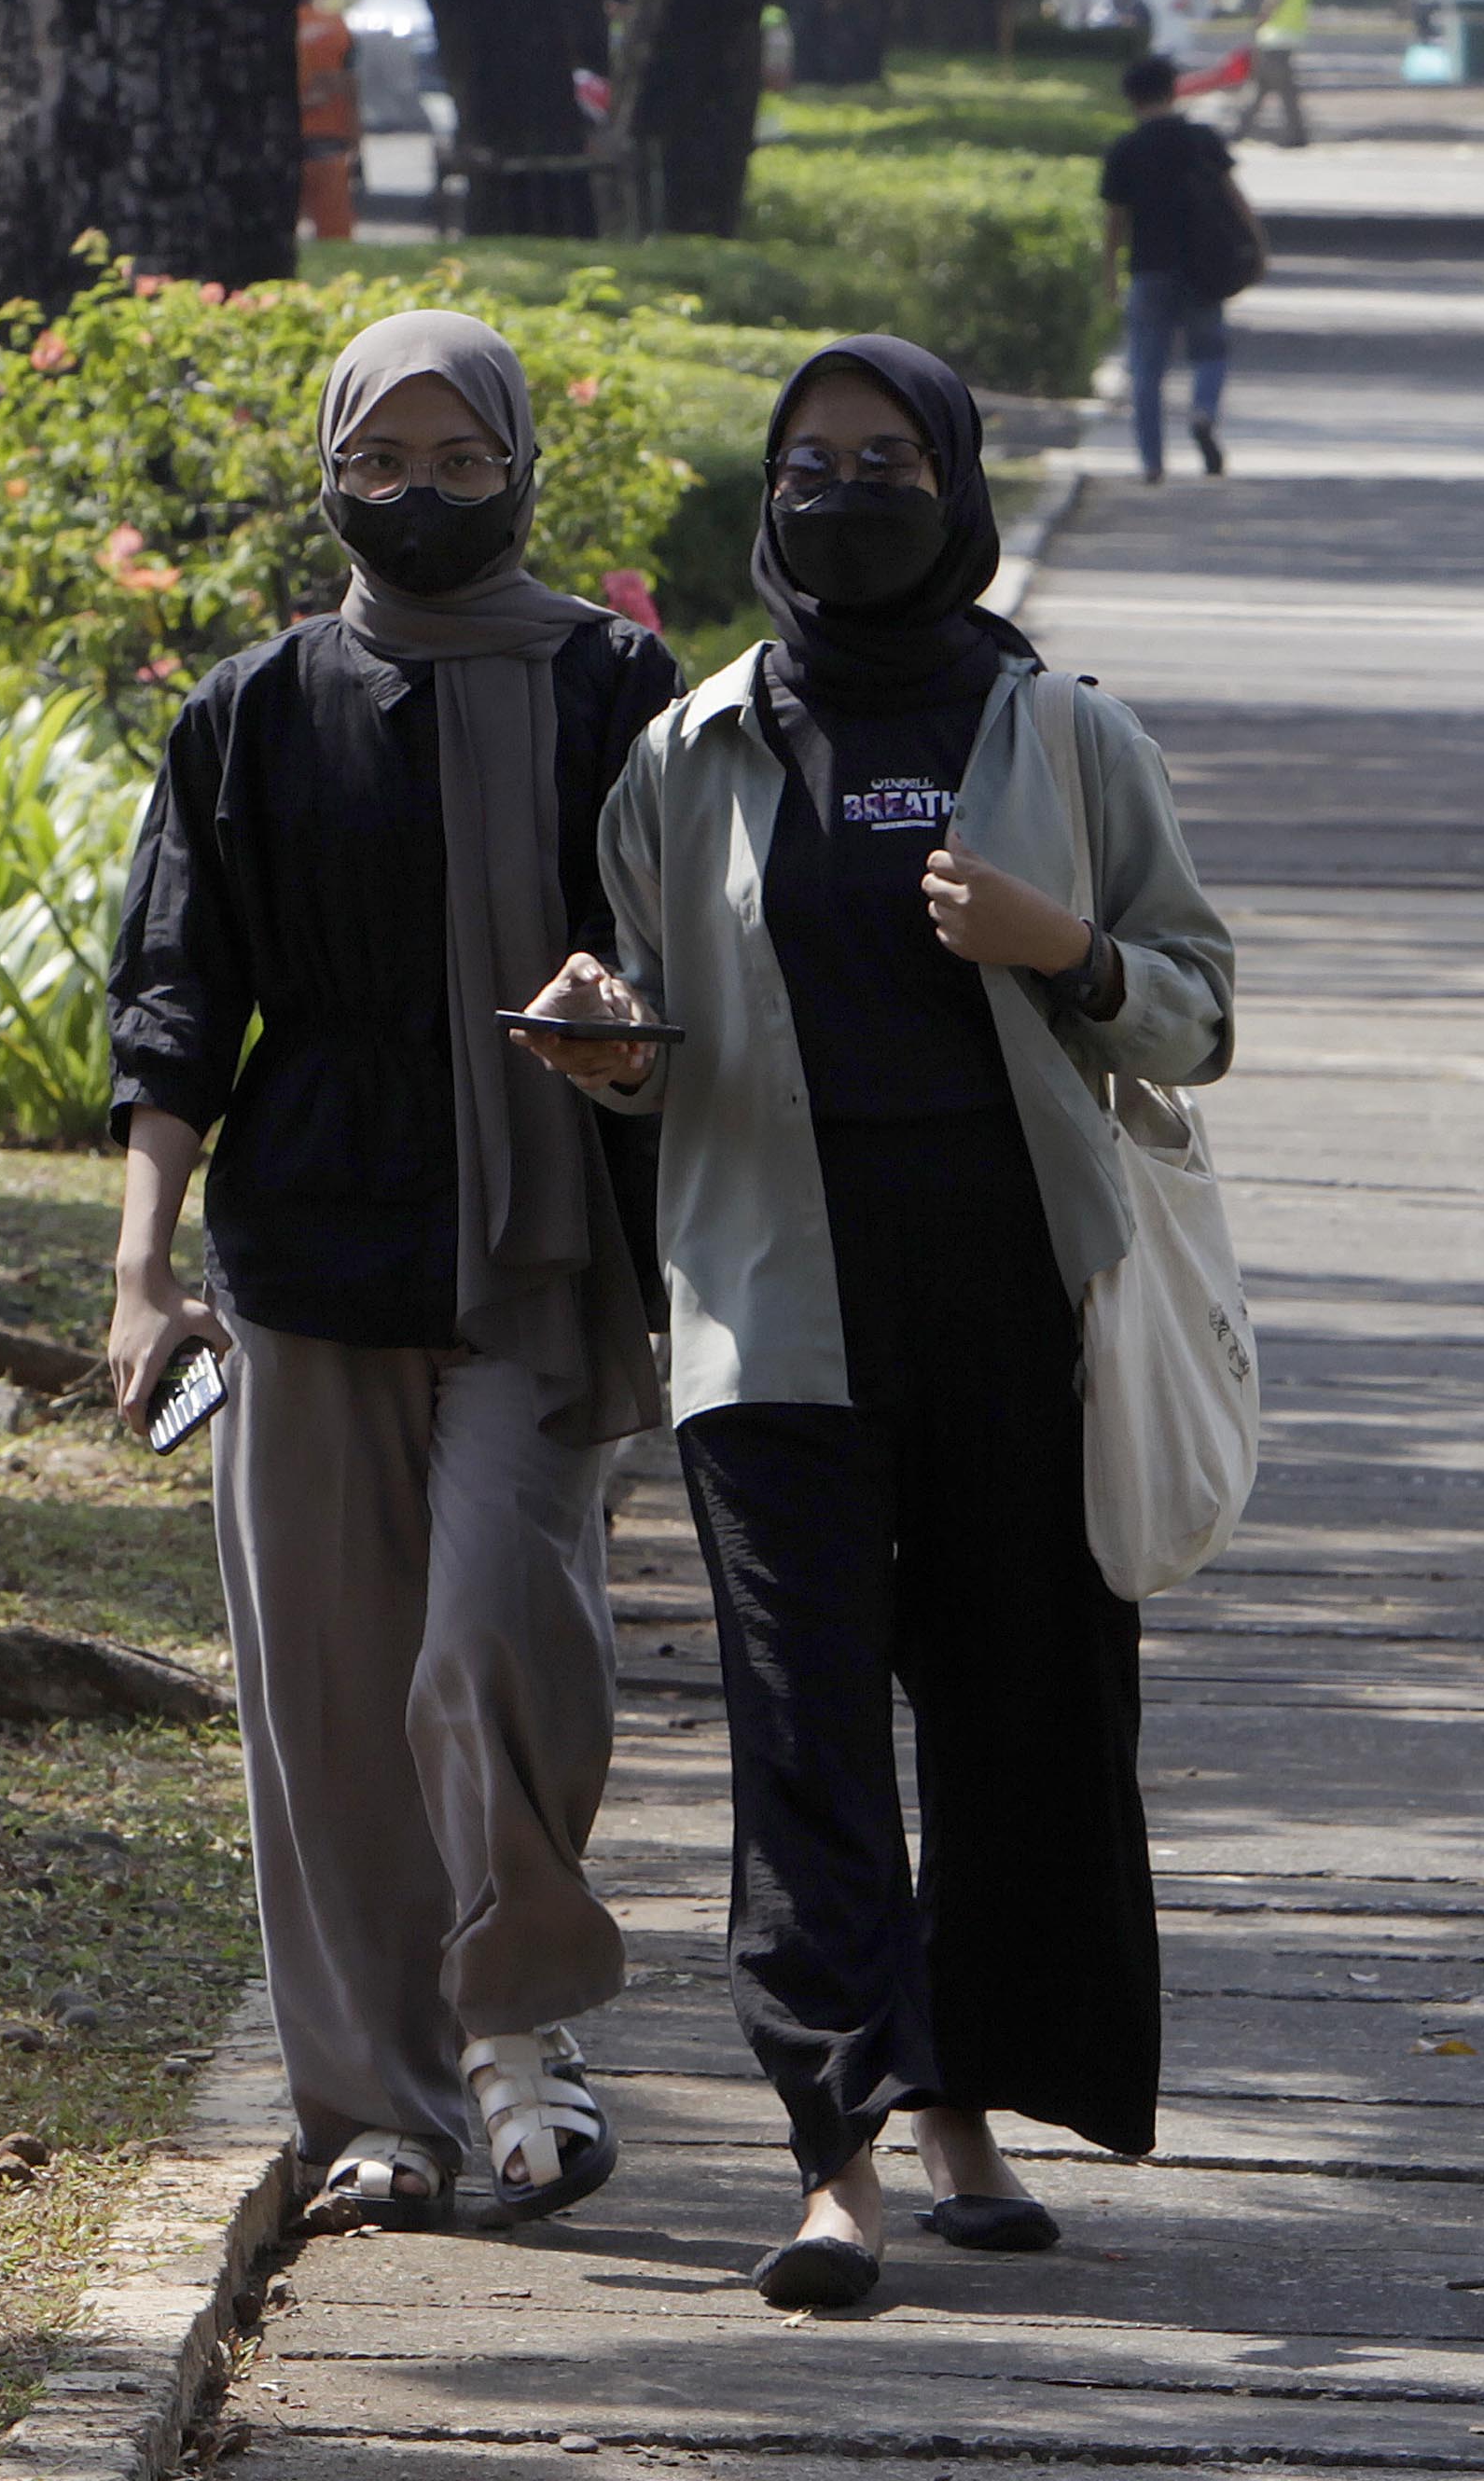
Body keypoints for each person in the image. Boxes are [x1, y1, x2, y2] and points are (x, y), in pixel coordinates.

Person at [512, 337, 1235, 2313]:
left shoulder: (1065, 734)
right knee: (805, 1740)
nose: (846, 492)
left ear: (959, 479)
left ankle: (966, 2113)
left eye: (889, 456)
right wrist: (606, 1046)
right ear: (768, 494)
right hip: (775, 1314)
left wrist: (1062, 948)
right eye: (810, 463)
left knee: (1019, 1723)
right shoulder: (693, 751)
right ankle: (834, 2154)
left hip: (1026, 1312)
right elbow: (661, 1023)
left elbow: (1201, 1003)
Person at [105, 311, 683, 2238]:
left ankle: (521, 2037)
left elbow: (687, 963)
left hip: (537, 1250)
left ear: (520, 466)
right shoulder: (256, 710)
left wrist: (627, 1035)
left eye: (460, 462)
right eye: (383, 464)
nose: (421, 498)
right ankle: (379, 2108)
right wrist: (139, 1275)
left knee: (493, 1639)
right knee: (330, 1702)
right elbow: (178, 1009)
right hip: (307, 1253)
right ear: (328, 471)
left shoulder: (616, 688)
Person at [1097, 55, 1247, 484]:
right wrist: (1256, 245)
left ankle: (1152, 462)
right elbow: (1234, 198)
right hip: (1203, 266)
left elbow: (1115, 222)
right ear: (1174, 89)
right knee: (1211, 352)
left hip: (1148, 268)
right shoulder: (1202, 139)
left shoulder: (1125, 150)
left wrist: (1109, 273)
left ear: (1131, 98)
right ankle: (1203, 410)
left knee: (1146, 369)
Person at [297, 0, 366, 242]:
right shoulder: (336, 28)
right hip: (328, 140)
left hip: (270, 144)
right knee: (335, 233)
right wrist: (356, 136)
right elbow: (350, 86)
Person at [1237, 0, 1312, 146]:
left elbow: (1274, 0)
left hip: (1274, 39)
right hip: (1290, 37)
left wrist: (1260, 19)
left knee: (1275, 87)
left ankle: (1293, 136)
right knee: (1268, 87)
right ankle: (1241, 129)